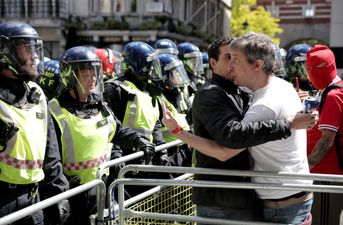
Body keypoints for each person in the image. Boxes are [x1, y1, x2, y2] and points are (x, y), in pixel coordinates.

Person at [163, 36, 313, 224]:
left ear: (256, 65)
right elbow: (229, 144)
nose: (232, 64)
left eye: (236, 58)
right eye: (228, 57)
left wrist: (180, 133)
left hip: (254, 198)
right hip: (222, 201)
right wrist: (288, 123)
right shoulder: (212, 93)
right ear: (213, 63)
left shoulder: (251, 92)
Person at [49, 46, 156, 225]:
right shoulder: (55, 110)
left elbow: (118, 131)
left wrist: (139, 140)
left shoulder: (100, 105)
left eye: (94, 73)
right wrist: (60, 192)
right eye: (85, 75)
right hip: (73, 193)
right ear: (70, 77)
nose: (92, 79)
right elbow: (51, 158)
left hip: (102, 188)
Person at [0, 21, 70, 225]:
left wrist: (60, 193)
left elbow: (51, 153)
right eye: (26, 49)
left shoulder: (36, 94)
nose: (35, 56)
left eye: (34, 48)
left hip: (33, 199)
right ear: (5, 53)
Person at [103, 41, 169, 195]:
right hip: (127, 161)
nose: (153, 68)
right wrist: (116, 157)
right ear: (138, 65)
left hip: (147, 157)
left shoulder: (148, 89)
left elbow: (156, 122)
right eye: (150, 64)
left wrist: (161, 148)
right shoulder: (115, 89)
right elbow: (112, 126)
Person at [305, 44, 343, 225]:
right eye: (308, 68)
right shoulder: (330, 90)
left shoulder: (333, 94)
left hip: (327, 173)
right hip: (324, 172)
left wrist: (307, 165)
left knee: (323, 219)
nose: (311, 72)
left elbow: (327, 140)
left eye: (316, 67)